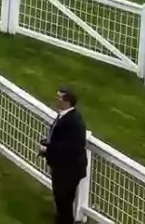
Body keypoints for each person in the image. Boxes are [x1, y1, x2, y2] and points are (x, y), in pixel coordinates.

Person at [43, 87, 88, 224]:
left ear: (67, 102)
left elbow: (72, 147)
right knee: (60, 199)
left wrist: (48, 148)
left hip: (69, 169)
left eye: (59, 97)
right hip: (62, 166)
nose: (56, 99)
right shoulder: (64, 115)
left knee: (64, 200)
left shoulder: (74, 121)